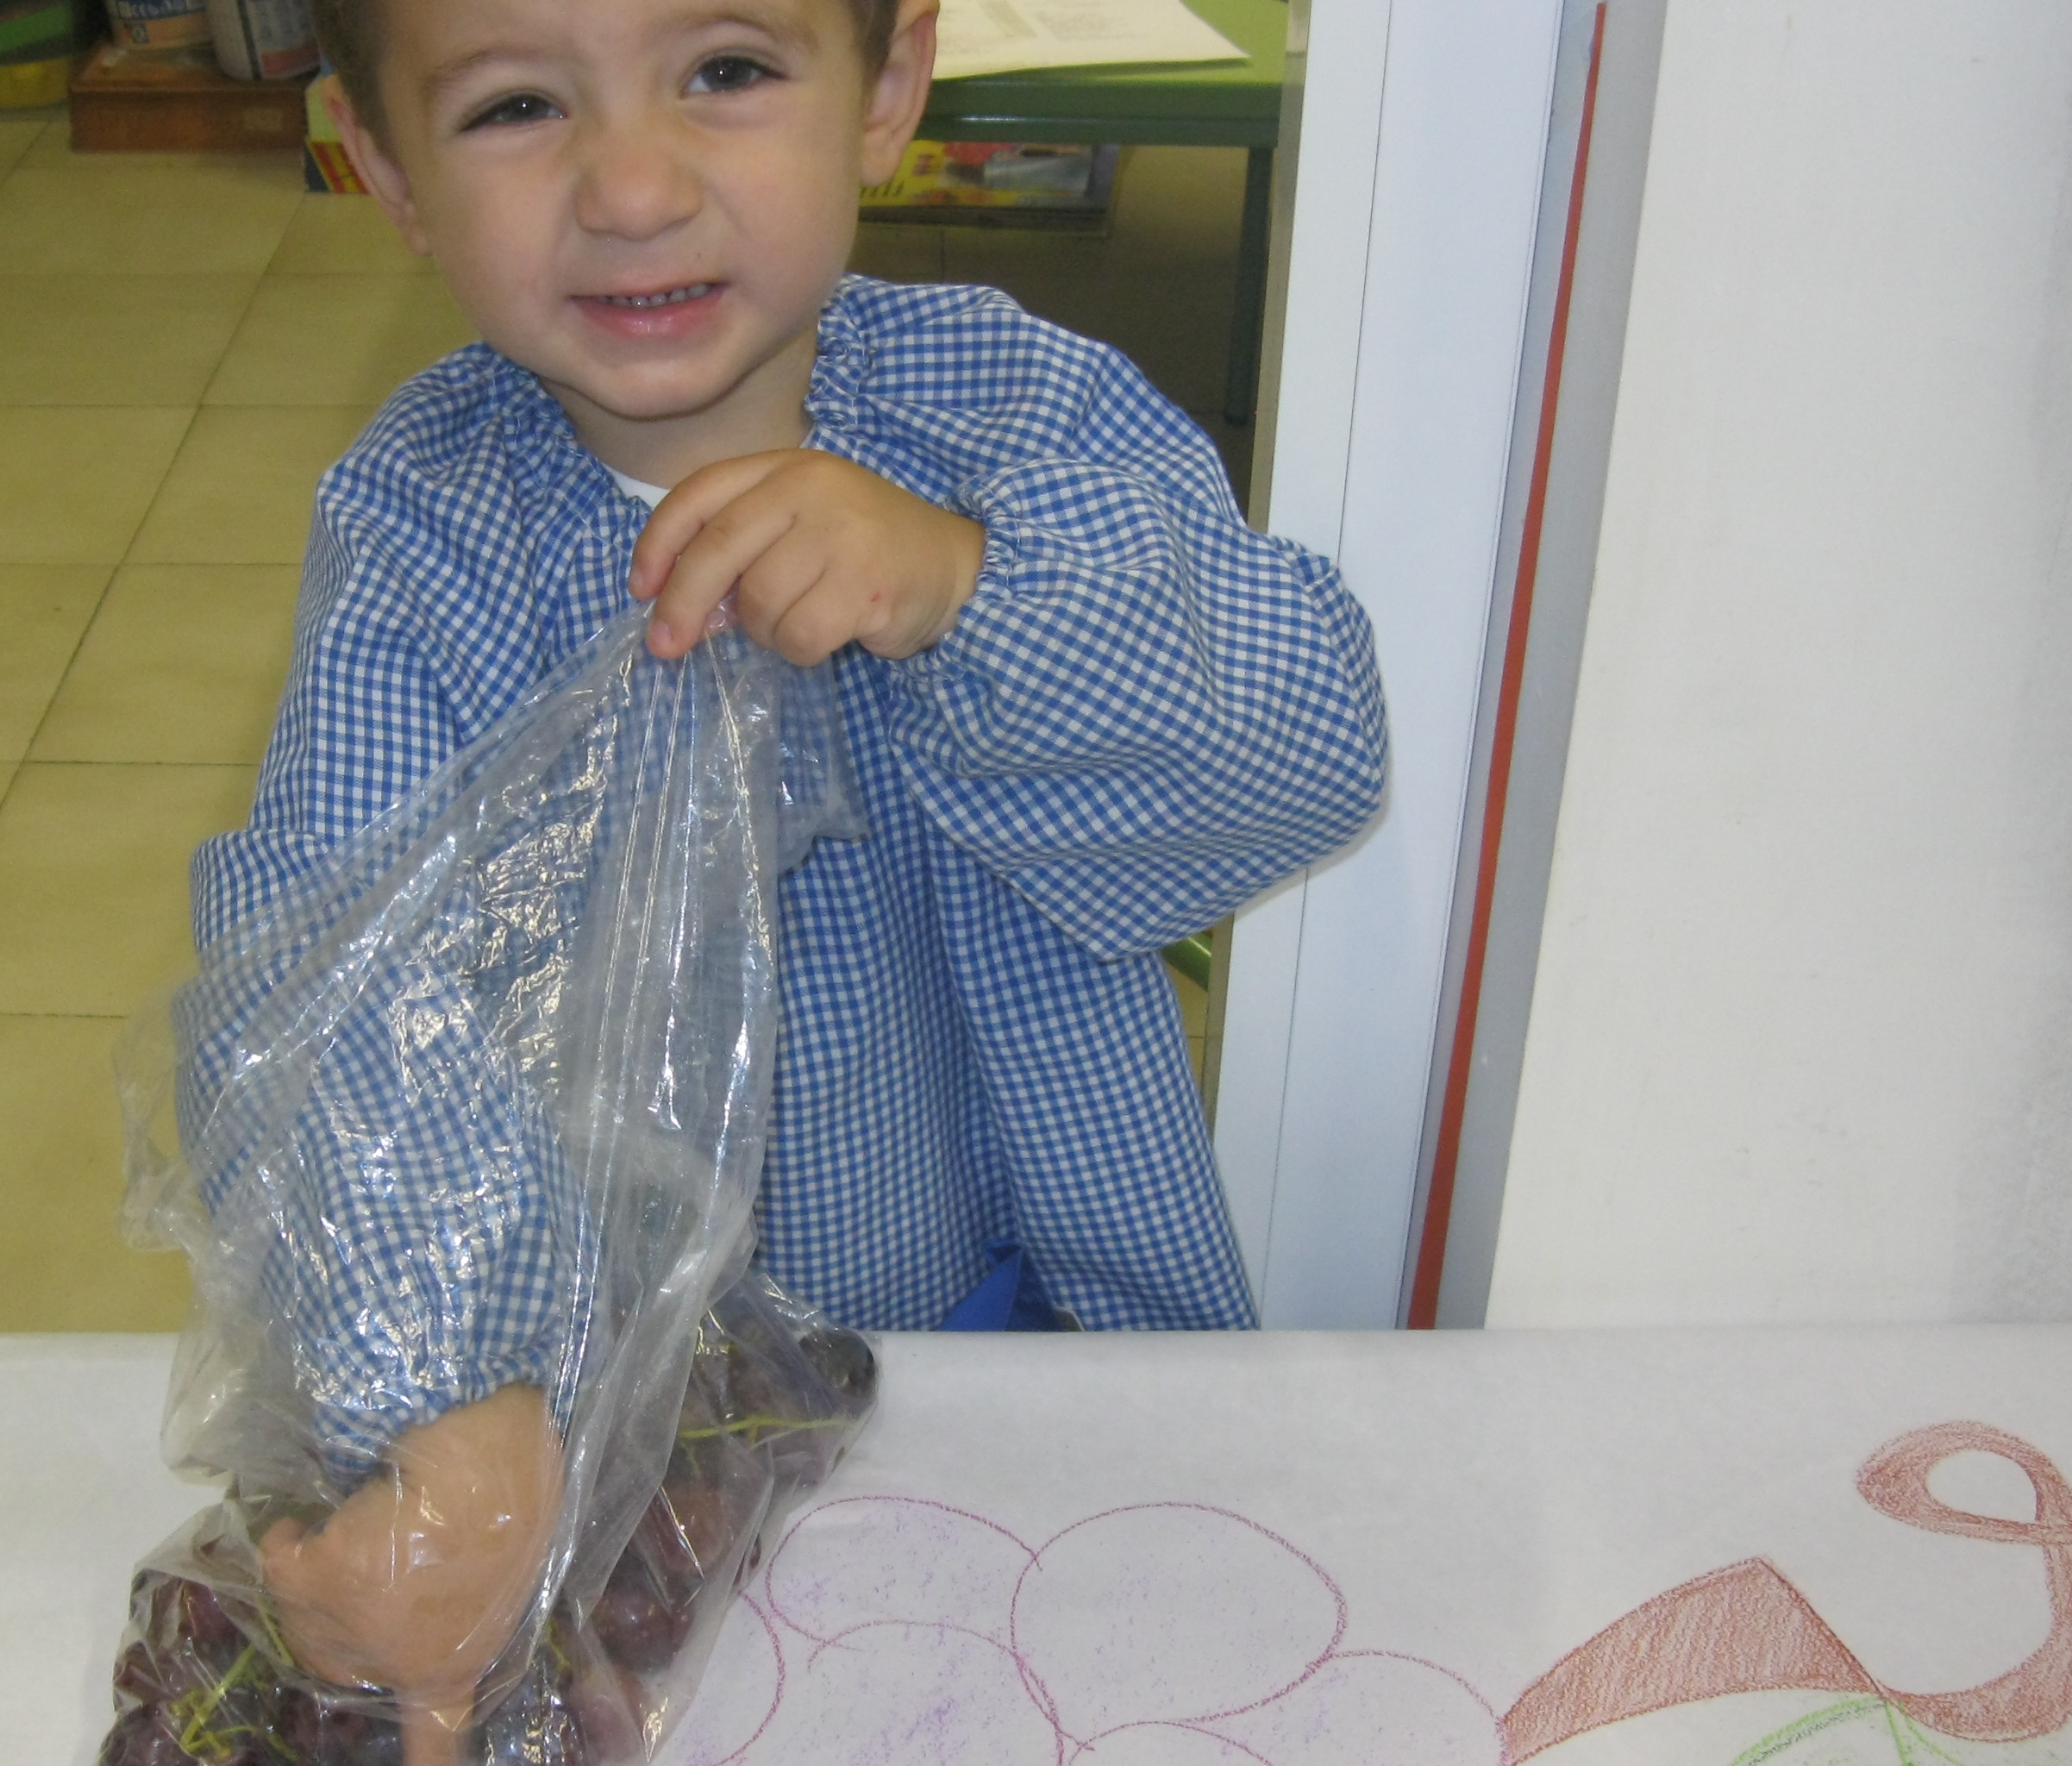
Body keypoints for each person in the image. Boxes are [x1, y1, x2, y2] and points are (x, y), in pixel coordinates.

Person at [185, 0, 1389, 1748]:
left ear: (887, 87)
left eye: (727, 72)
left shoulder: (1017, 415)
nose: (633, 187)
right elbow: (328, 1003)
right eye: (518, 107)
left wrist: (967, 587)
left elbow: (1307, 752)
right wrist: (457, 1395)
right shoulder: (419, 534)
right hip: (606, 1447)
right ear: (386, 168)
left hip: (1011, 1342)